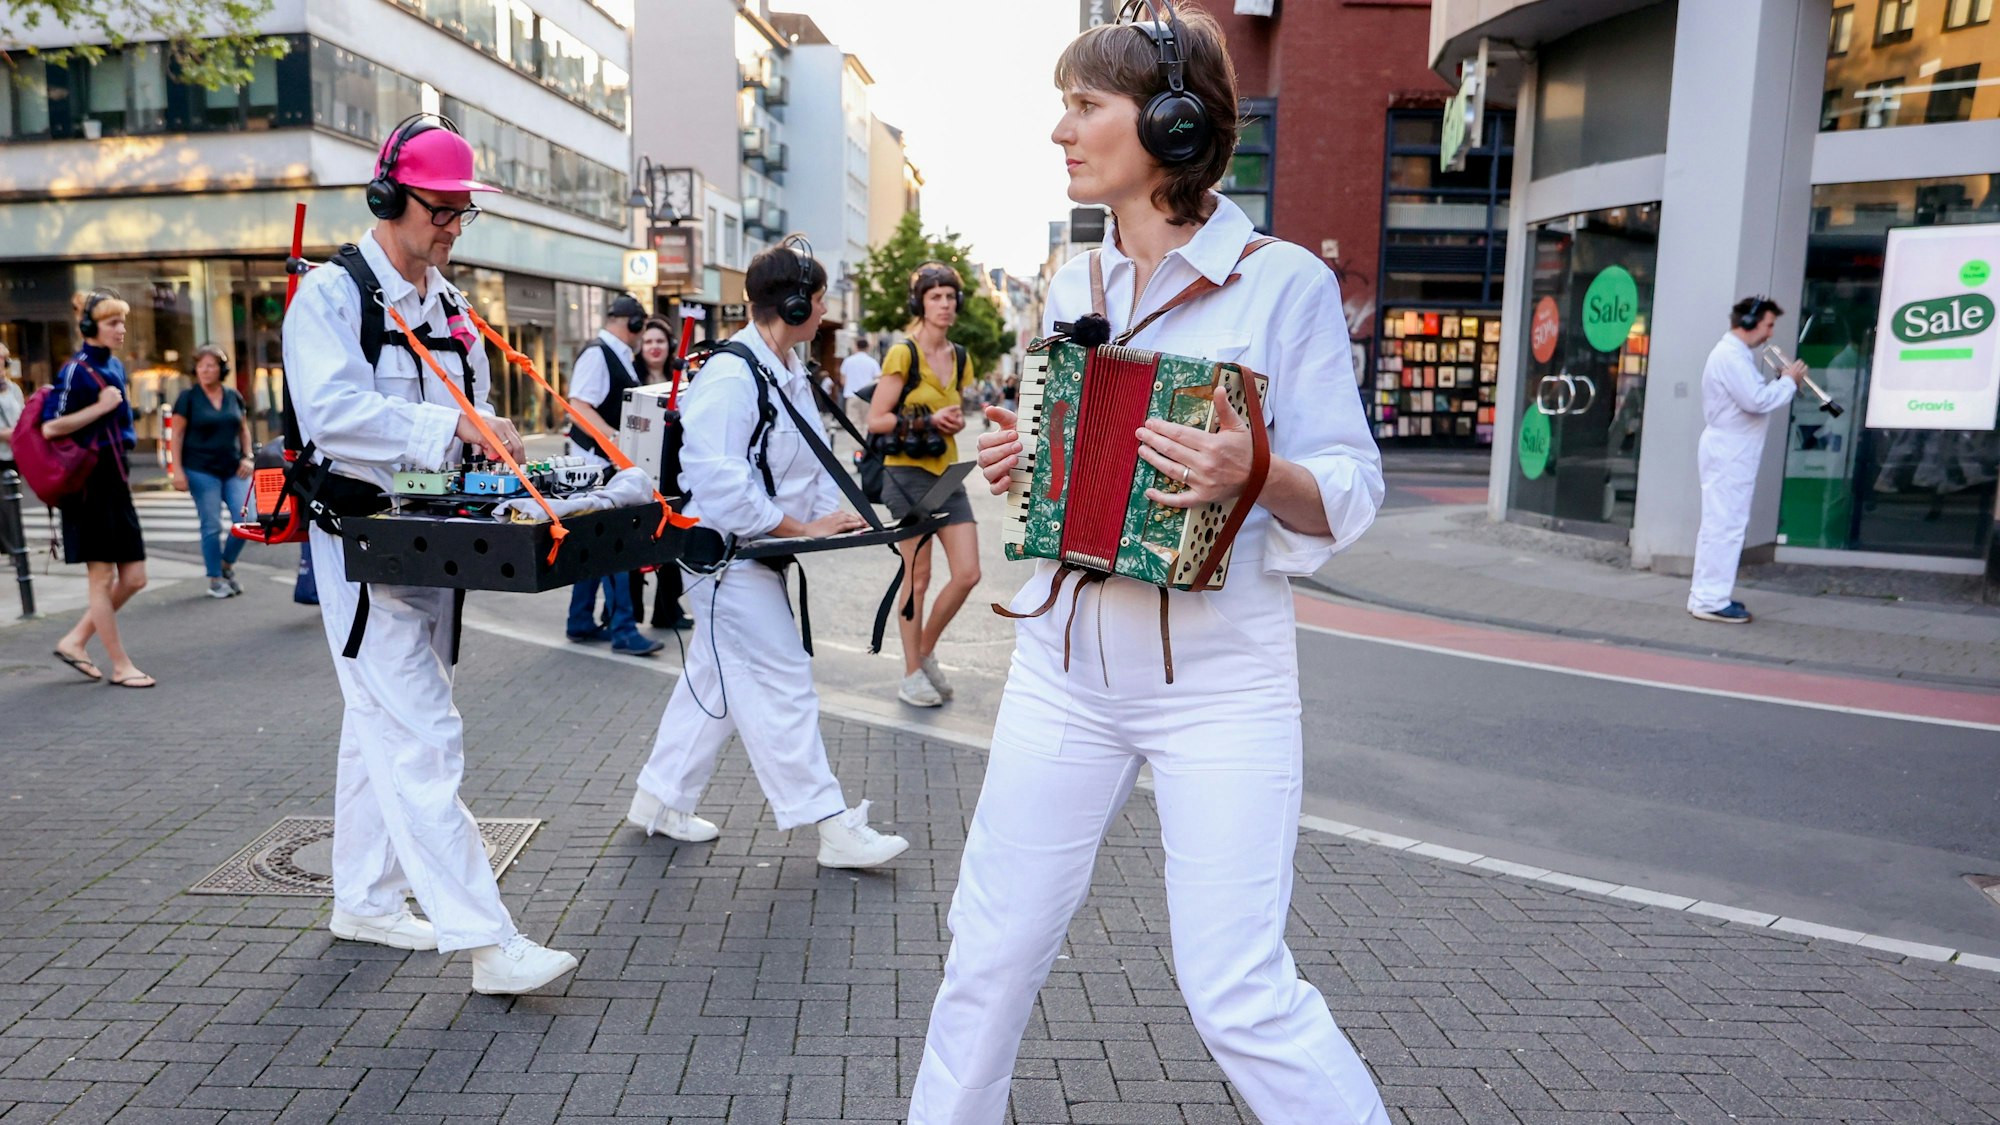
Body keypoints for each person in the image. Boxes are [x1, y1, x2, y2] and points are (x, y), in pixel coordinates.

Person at [907, 6, 1391, 1124]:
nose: (1059, 132)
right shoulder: (1071, 282)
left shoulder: (1281, 285)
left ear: (1173, 125)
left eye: (1084, 107)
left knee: (1235, 991)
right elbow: (1071, 468)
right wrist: (1024, 456)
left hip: (1218, 682)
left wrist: (1252, 467)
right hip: (1062, 668)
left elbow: (1352, 491)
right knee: (985, 951)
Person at [282, 113, 576, 994]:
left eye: (460, 212)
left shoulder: (448, 306)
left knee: (378, 718)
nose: (450, 226)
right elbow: (330, 416)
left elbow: (473, 411)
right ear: (387, 198)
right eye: (437, 208)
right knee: (421, 735)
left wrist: (493, 443)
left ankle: (364, 900)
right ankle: (487, 941)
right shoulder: (328, 299)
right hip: (360, 546)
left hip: (433, 544)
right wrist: (448, 426)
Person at [627, 239, 910, 870]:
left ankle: (659, 799)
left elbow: (799, 464)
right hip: (726, 557)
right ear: (795, 302)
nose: (826, 309)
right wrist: (797, 529)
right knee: (782, 679)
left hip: (751, 552)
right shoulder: (733, 375)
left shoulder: (783, 370)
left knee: (715, 680)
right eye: (820, 298)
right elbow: (721, 482)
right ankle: (829, 823)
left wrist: (820, 523)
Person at [866, 262, 981, 708]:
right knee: (918, 577)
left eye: (951, 297)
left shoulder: (962, 358)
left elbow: (952, 411)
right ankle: (911, 672)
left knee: (968, 573)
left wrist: (951, 420)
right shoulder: (903, 353)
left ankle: (926, 649)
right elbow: (877, 419)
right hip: (906, 474)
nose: (946, 304)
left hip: (947, 474)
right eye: (936, 297)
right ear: (920, 302)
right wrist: (930, 418)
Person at [44, 291, 153, 690]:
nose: (122, 330)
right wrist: (101, 407)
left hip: (115, 479)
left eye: (123, 322)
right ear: (90, 327)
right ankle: (121, 666)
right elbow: (50, 427)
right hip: (88, 483)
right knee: (102, 577)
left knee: (136, 577)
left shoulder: (117, 366)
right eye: (113, 323)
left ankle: (75, 640)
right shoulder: (75, 371)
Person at [1687, 296, 1804, 624]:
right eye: (1767, 325)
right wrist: (1788, 382)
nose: (1769, 334)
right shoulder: (1731, 356)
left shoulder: (1733, 355)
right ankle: (1710, 599)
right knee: (1725, 526)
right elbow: (1756, 400)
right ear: (1750, 323)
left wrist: (1782, 383)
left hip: (1730, 449)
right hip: (1730, 451)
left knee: (1721, 525)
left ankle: (1708, 595)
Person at [564, 293, 662, 655]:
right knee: (614, 545)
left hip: (603, 463)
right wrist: (613, 441)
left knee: (592, 544)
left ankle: (580, 620)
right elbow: (577, 406)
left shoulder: (616, 354)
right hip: (598, 465)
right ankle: (623, 629)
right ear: (634, 324)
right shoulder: (599, 353)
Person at [170, 344, 254, 599]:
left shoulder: (233, 396)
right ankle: (215, 578)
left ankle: (226, 564)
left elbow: (243, 429)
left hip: (233, 468)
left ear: (221, 369)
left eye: (211, 365)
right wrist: (178, 471)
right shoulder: (188, 398)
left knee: (248, 520)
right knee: (212, 525)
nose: (205, 370)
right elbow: (176, 435)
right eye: (201, 366)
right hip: (200, 469)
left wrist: (248, 456)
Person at [627, 316, 690, 630]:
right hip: (637, 468)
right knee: (634, 539)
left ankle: (667, 609)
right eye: (649, 341)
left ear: (670, 346)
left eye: (660, 341)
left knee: (671, 537)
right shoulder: (631, 376)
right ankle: (627, 613)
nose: (654, 347)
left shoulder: (681, 379)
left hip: (671, 469)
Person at [840, 334, 879, 443]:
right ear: (868, 347)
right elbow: (877, 380)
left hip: (851, 395)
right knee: (867, 422)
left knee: (853, 423)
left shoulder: (848, 361)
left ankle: (856, 449)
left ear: (856, 346)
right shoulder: (872, 362)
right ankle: (866, 447)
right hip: (868, 397)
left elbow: (843, 380)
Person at [0, 341, 22, 474]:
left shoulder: (13, 388)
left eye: (2, 358)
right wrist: (4, 434)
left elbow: (23, 415)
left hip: (14, 454)